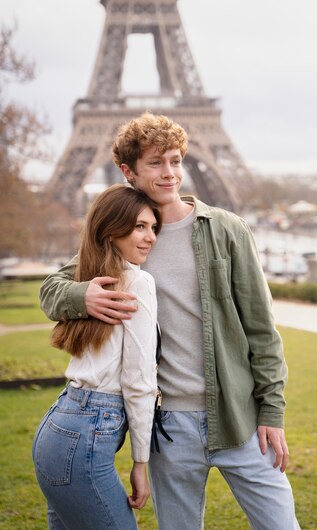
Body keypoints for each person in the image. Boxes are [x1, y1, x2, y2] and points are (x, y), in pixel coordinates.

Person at [40, 113, 301, 530]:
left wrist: (272, 411)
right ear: (128, 172)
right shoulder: (130, 237)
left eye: (176, 161)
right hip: (170, 430)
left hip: (242, 419)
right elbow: (51, 288)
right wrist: (80, 293)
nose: (170, 173)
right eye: (156, 163)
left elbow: (262, 331)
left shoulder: (228, 230)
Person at [33, 184, 161, 530]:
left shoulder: (90, 279)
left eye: (153, 227)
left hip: (58, 427)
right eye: (139, 227)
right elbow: (139, 381)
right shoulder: (138, 282)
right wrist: (140, 463)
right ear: (110, 229)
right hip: (86, 432)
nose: (150, 237)